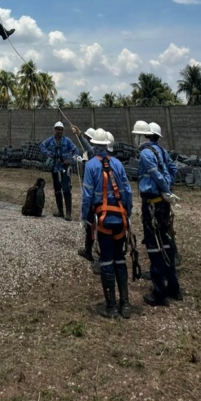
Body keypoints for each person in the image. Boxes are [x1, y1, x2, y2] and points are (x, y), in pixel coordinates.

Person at [81, 128, 133, 318]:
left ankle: (111, 307)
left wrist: (84, 217)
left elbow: (87, 195)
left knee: (107, 261)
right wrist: (128, 213)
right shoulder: (117, 164)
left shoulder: (91, 166)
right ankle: (125, 304)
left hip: (103, 220)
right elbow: (127, 191)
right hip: (120, 219)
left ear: (94, 145)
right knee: (120, 259)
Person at [134, 120, 182, 307]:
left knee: (154, 245)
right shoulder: (160, 151)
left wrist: (165, 189)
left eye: (136, 135)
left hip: (152, 203)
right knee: (166, 242)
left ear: (142, 136)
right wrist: (168, 189)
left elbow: (156, 174)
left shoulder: (145, 153)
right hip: (162, 203)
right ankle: (174, 287)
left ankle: (159, 292)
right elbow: (171, 170)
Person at [147, 121, 180, 266]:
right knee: (166, 226)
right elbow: (174, 169)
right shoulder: (162, 151)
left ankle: (162, 265)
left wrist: (163, 187)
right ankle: (173, 256)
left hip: (155, 196)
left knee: (156, 230)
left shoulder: (149, 152)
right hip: (165, 195)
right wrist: (169, 186)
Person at [40, 121, 79, 220]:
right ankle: (60, 211)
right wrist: (49, 153)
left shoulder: (67, 141)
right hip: (55, 168)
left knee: (66, 189)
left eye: (61, 129)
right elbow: (42, 146)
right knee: (57, 189)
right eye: (58, 129)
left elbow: (76, 150)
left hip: (64, 168)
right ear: (54, 130)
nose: (60, 131)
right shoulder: (50, 140)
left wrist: (70, 160)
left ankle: (68, 213)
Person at [71, 125, 97, 260]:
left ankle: (89, 250)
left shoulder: (94, 154)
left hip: (93, 194)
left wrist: (79, 134)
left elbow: (88, 148)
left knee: (90, 223)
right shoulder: (105, 159)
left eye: (87, 138)